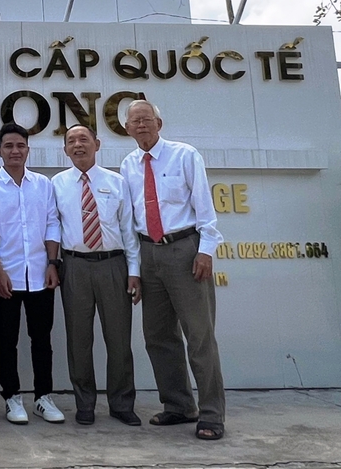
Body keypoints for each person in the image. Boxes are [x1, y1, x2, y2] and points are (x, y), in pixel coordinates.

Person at [119, 99, 226, 441]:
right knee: (158, 336)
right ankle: (179, 405)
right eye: (135, 121)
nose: (141, 125)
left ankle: (211, 414)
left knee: (199, 337)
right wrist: (135, 268)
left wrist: (205, 250)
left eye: (146, 119)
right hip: (148, 254)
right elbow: (130, 221)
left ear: (159, 123)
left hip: (184, 249)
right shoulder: (128, 165)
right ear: (127, 129)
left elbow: (204, 207)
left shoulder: (184, 155)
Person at [52, 124, 142, 427]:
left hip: (113, 265)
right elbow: (53, 226)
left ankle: (121, 403)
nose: (78, 145)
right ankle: (85, 403)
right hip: (74, 266)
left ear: (97, 144)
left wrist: (134, 271)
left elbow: (128, 230)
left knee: (119, 339)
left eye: (84, 139)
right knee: (78, 340)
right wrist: (53, 263)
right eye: (71, 141)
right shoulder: (57, 184)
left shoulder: (117, 182)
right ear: (65, 149)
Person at [0, 123, 63, 426]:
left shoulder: (43, 184)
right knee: (6, 340)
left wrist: (52, 263)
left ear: (28, 149)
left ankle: (43, 397)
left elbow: (52, 223)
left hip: (41, 274)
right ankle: (11, 397)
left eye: (20, 146)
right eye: (9, 146)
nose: (15, 151)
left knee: (42, 339)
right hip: (7, 276)